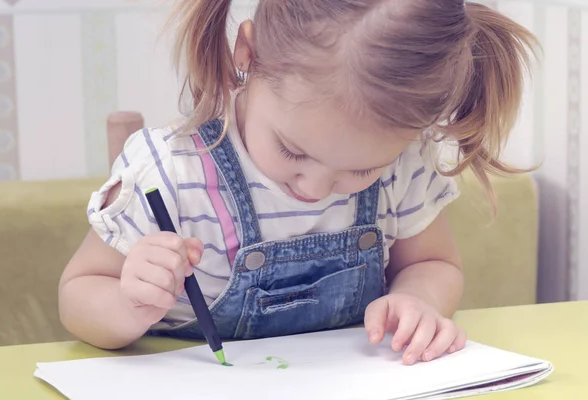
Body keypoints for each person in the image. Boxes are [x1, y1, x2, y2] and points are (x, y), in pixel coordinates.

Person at [59, 0, 537, 366]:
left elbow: (434, 264)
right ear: (247, 55)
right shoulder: (171, 172)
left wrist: (418, 300)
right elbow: (77, 295)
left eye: (361, 171)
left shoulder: (404, 164)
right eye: (293, 151)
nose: (315, 187)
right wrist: (127, 303)